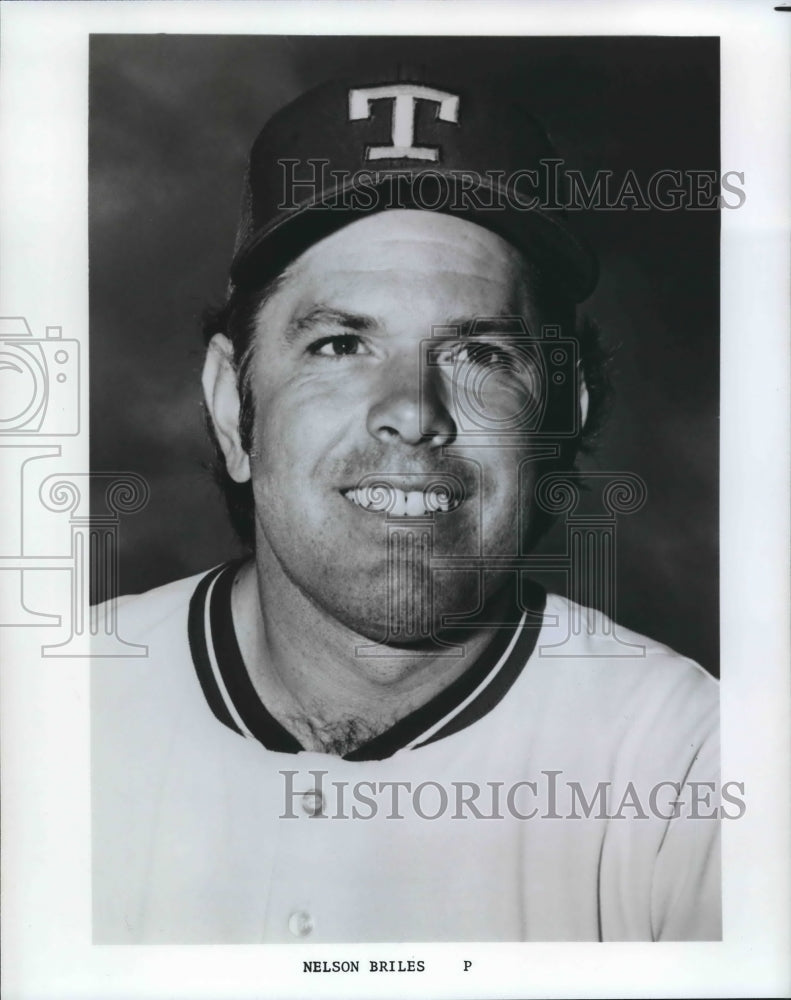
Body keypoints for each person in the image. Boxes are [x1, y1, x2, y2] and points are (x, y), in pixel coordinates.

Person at [92, 73, 720, 943]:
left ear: (559, 416)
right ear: (234, 408)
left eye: (480, 351)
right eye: (341, 343)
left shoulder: (688, 762)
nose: (413, 411)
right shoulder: (46, 709)